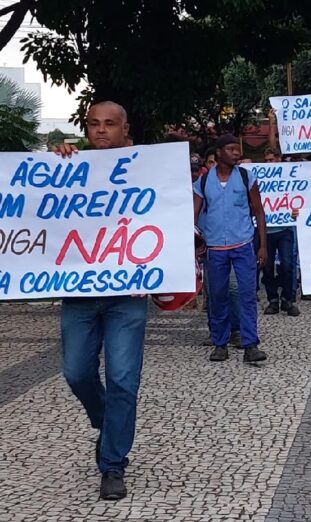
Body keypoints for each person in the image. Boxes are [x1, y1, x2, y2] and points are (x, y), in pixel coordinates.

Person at [54, 101, 148, 500]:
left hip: (126, 296)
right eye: (94, 124)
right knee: (76, 372)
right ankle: (107, 421)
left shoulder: (150, 171)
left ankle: (112, 465)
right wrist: (56, 163)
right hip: (78, 294)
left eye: (110, 124)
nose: (101, 131)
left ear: (126, 129)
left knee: (124, 379)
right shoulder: (67, 169)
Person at [193, 134, 268, 363]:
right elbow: (192, 216)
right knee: (217, 296)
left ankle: (250, 344)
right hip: (215, 249)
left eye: (238, 149)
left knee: (246, 295)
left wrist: (263, 245)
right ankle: (219, 343)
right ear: (218, 153)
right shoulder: (203, 183)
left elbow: (259, 212)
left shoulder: (246, 177)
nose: (237, 153)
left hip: (244, 245)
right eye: (231, 149)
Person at [262, 147, 300, 317]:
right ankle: (273, 299)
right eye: (267, 160)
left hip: (285, 228)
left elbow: (306, 191)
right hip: (266, 231)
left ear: (279, 159)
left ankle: (287, 298)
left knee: (287, 264)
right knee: (268, 266)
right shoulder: (260, 177)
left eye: (272, 160)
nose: (269, 163)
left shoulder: (290, 175)